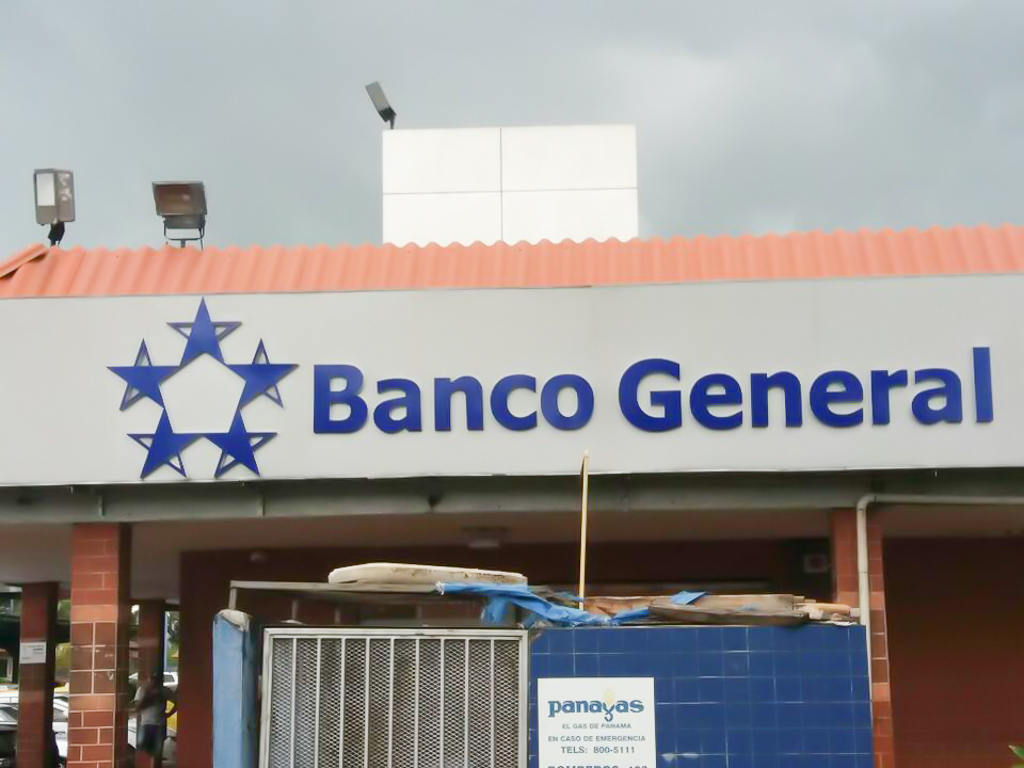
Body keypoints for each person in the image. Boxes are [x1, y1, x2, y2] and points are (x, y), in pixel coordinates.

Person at [131, 673, 177, 759]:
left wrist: (169, 714)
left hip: (159, 724)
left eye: (157, 680)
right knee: (143, 748)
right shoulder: (142, 690)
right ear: (149, 680)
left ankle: (155, 761)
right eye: (152, 679)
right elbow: (137, 708)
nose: (154, 682)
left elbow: (177, 702)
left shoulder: (164, 691)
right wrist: (148, 696)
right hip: (145, 724)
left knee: (157, 750)